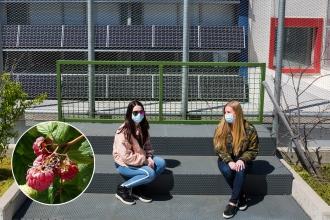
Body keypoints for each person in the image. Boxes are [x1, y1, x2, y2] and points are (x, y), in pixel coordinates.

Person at [112, 100, 166, 205]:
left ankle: (138, 188)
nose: (139, 115)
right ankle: (122, 189)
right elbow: (126, 157)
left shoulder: (142, 127)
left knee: (161, 163)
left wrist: (149, 157)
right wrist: (144, 161)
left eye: (141, 112)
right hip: (124, 165)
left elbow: (147, 146)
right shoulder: (123, 131)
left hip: (140, 159)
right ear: (129, 114)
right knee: (150, 173)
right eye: (135, 113)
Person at [213, 100, 259, 219]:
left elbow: (253, 150)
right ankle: (241, 195)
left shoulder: (249, 129)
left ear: (237, 113)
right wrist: (229, 161)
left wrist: (242, 160)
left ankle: (233, 202)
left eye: (228, 112)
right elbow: (218, 148)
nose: (226, 115)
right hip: (225, 159)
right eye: (225, 112)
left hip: (243, 160)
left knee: (240, 169)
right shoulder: (221, 126)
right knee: (228, 171)